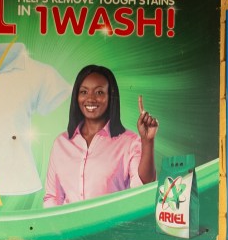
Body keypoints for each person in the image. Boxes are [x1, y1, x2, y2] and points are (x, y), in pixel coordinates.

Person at [41, 63, 157, 205]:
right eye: (84, 92)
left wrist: (148, 141)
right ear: (76, 97)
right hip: (69, 227)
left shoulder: (129, 142)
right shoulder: (61, 143)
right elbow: (53, 197)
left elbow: (143, 187)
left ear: (111, 97)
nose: (90, 99)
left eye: (99, 92)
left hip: (112, 226)